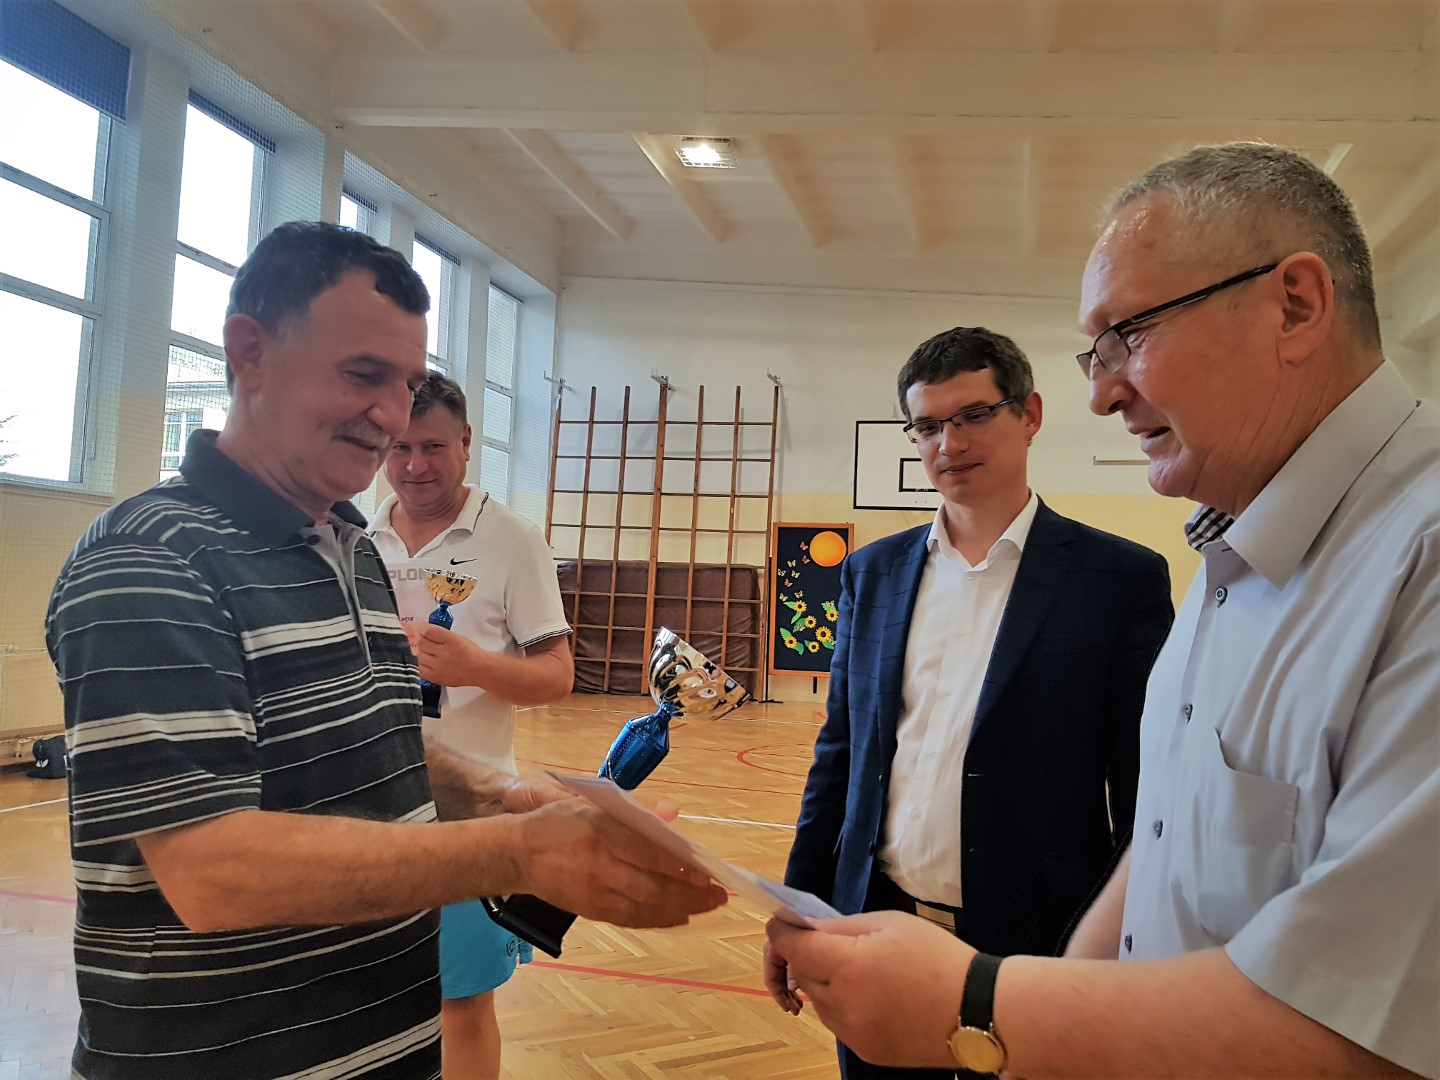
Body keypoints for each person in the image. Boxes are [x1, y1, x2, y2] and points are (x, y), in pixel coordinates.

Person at [765, 143, 1438, 1080]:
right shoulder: (1232, 556)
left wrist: (981, 1009)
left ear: (1294, 304)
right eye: (1098, 350)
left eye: (1131, 335)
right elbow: (1158, 840)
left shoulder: (1412, 558)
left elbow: (1372, 1027)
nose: (1104, 390)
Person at [45, 221, 725, 1080]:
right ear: (250, 355)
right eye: (362, 374)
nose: (389, 416)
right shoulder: (149, 559)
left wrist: (503, 796)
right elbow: (211, 871)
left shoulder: (352, 549)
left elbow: (380, 745)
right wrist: (521, 851)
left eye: (403, 384)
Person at [774, 326, 1173, 1079]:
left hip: (1037, 941)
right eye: (927, 426)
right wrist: (800, 906)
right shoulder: (872, 573)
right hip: (874, 924)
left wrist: (1124, 949)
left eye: (974, 416)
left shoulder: (1118, 580)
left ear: (1030, 415)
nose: (948, 443)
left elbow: (1145, 788)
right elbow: (840, 753)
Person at [368, 372, 574, 1080]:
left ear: (465, 443)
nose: (414, 466)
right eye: (399, 448)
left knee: (460, 1004)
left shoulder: (512, 539)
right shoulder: (355, 539)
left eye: (432, 447)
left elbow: (558, 674)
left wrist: (475, 667)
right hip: (364, 810)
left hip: (465, 818)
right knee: (363, 997)